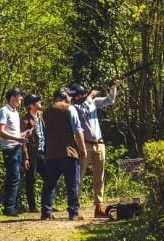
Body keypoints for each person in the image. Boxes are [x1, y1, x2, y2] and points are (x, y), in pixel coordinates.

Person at [68, 79, 122, 218]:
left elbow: (110, 100)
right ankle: (75, 207)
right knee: (78, 176)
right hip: (84, 144)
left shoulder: (91, 102)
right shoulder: (73, 107)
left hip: (99, 143)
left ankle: (98, 206)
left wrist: (113, 87)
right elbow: (82, 107)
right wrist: (90, 96)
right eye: (81, 94)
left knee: (100, 177)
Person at [40, 87, 87, 220]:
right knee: (73, 183)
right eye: (69, 95)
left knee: (49, 184)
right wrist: (82, 148)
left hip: (51, 152)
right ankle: (73, 212)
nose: (71, 98)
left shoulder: (46, 112)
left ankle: (46, 212)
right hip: (68, 151)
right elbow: (78, 130)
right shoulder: (69, 108)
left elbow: (44, 133)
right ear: (64, 96)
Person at [0, 87, 31, 217]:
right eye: (19, 96)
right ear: (12, 97)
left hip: (17, 147)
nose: (21, 99)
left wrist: (22, 134)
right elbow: (0, 131)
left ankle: (13, 206)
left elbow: (11, 131)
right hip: (9, 148)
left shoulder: (15, 112)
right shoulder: (3, 111)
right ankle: (9, 207)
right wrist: (17, 138)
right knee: (13, 177)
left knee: (16, 177)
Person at [19, 94, 45, 213]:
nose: (40, 102)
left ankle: (47, 202)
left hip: (44, 151)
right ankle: (32, 205)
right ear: (31, 105)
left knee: (49, 177)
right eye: (38, 101)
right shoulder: (25, 120)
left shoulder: (41, 116)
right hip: (32, 152)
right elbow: (23, 140)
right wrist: (26, 157)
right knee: (31, 179)